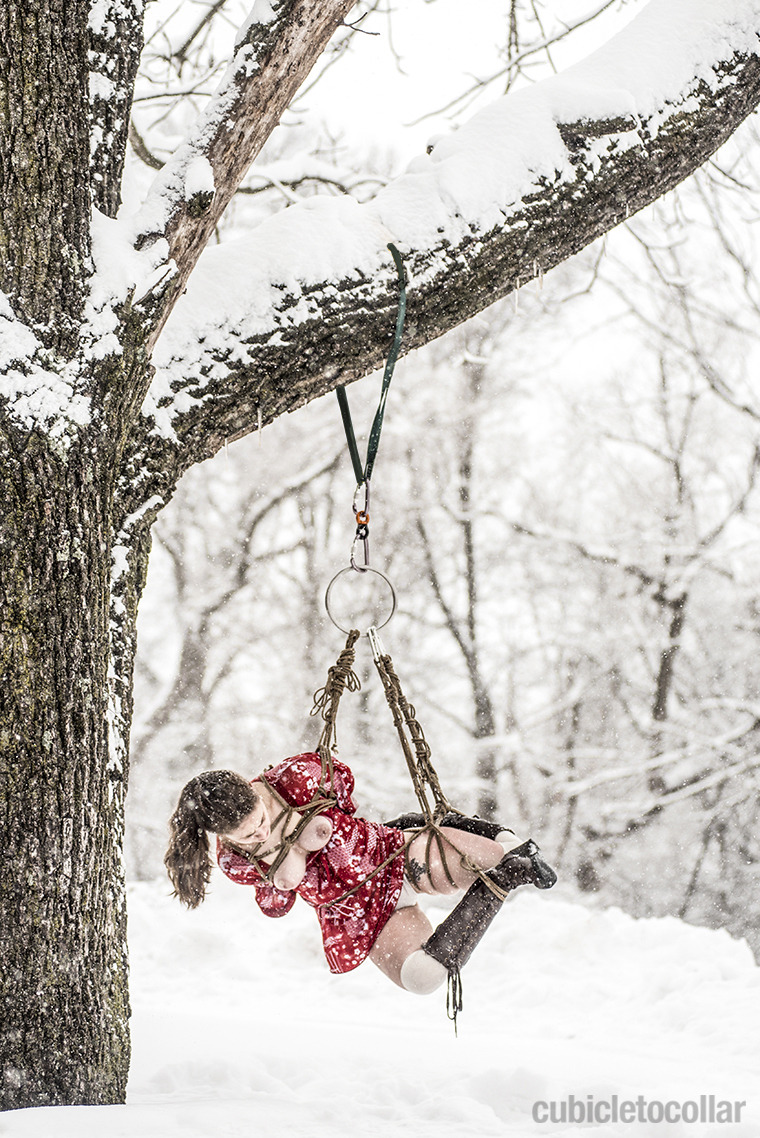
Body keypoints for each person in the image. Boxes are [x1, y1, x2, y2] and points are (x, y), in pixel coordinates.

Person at [165, 752, 556, 994]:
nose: (260, 833)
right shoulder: (234, 861)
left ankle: (453, 834)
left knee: (488, 856)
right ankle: (507, 879)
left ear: (255, 795)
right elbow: (275, 905)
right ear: (221, 835)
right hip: (359, 915)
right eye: (248, 835)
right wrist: (283, 871)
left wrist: (315, 818)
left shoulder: (290, 781)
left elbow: (344, 779)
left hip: (388, 857)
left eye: (260, 819)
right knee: (422, 978)